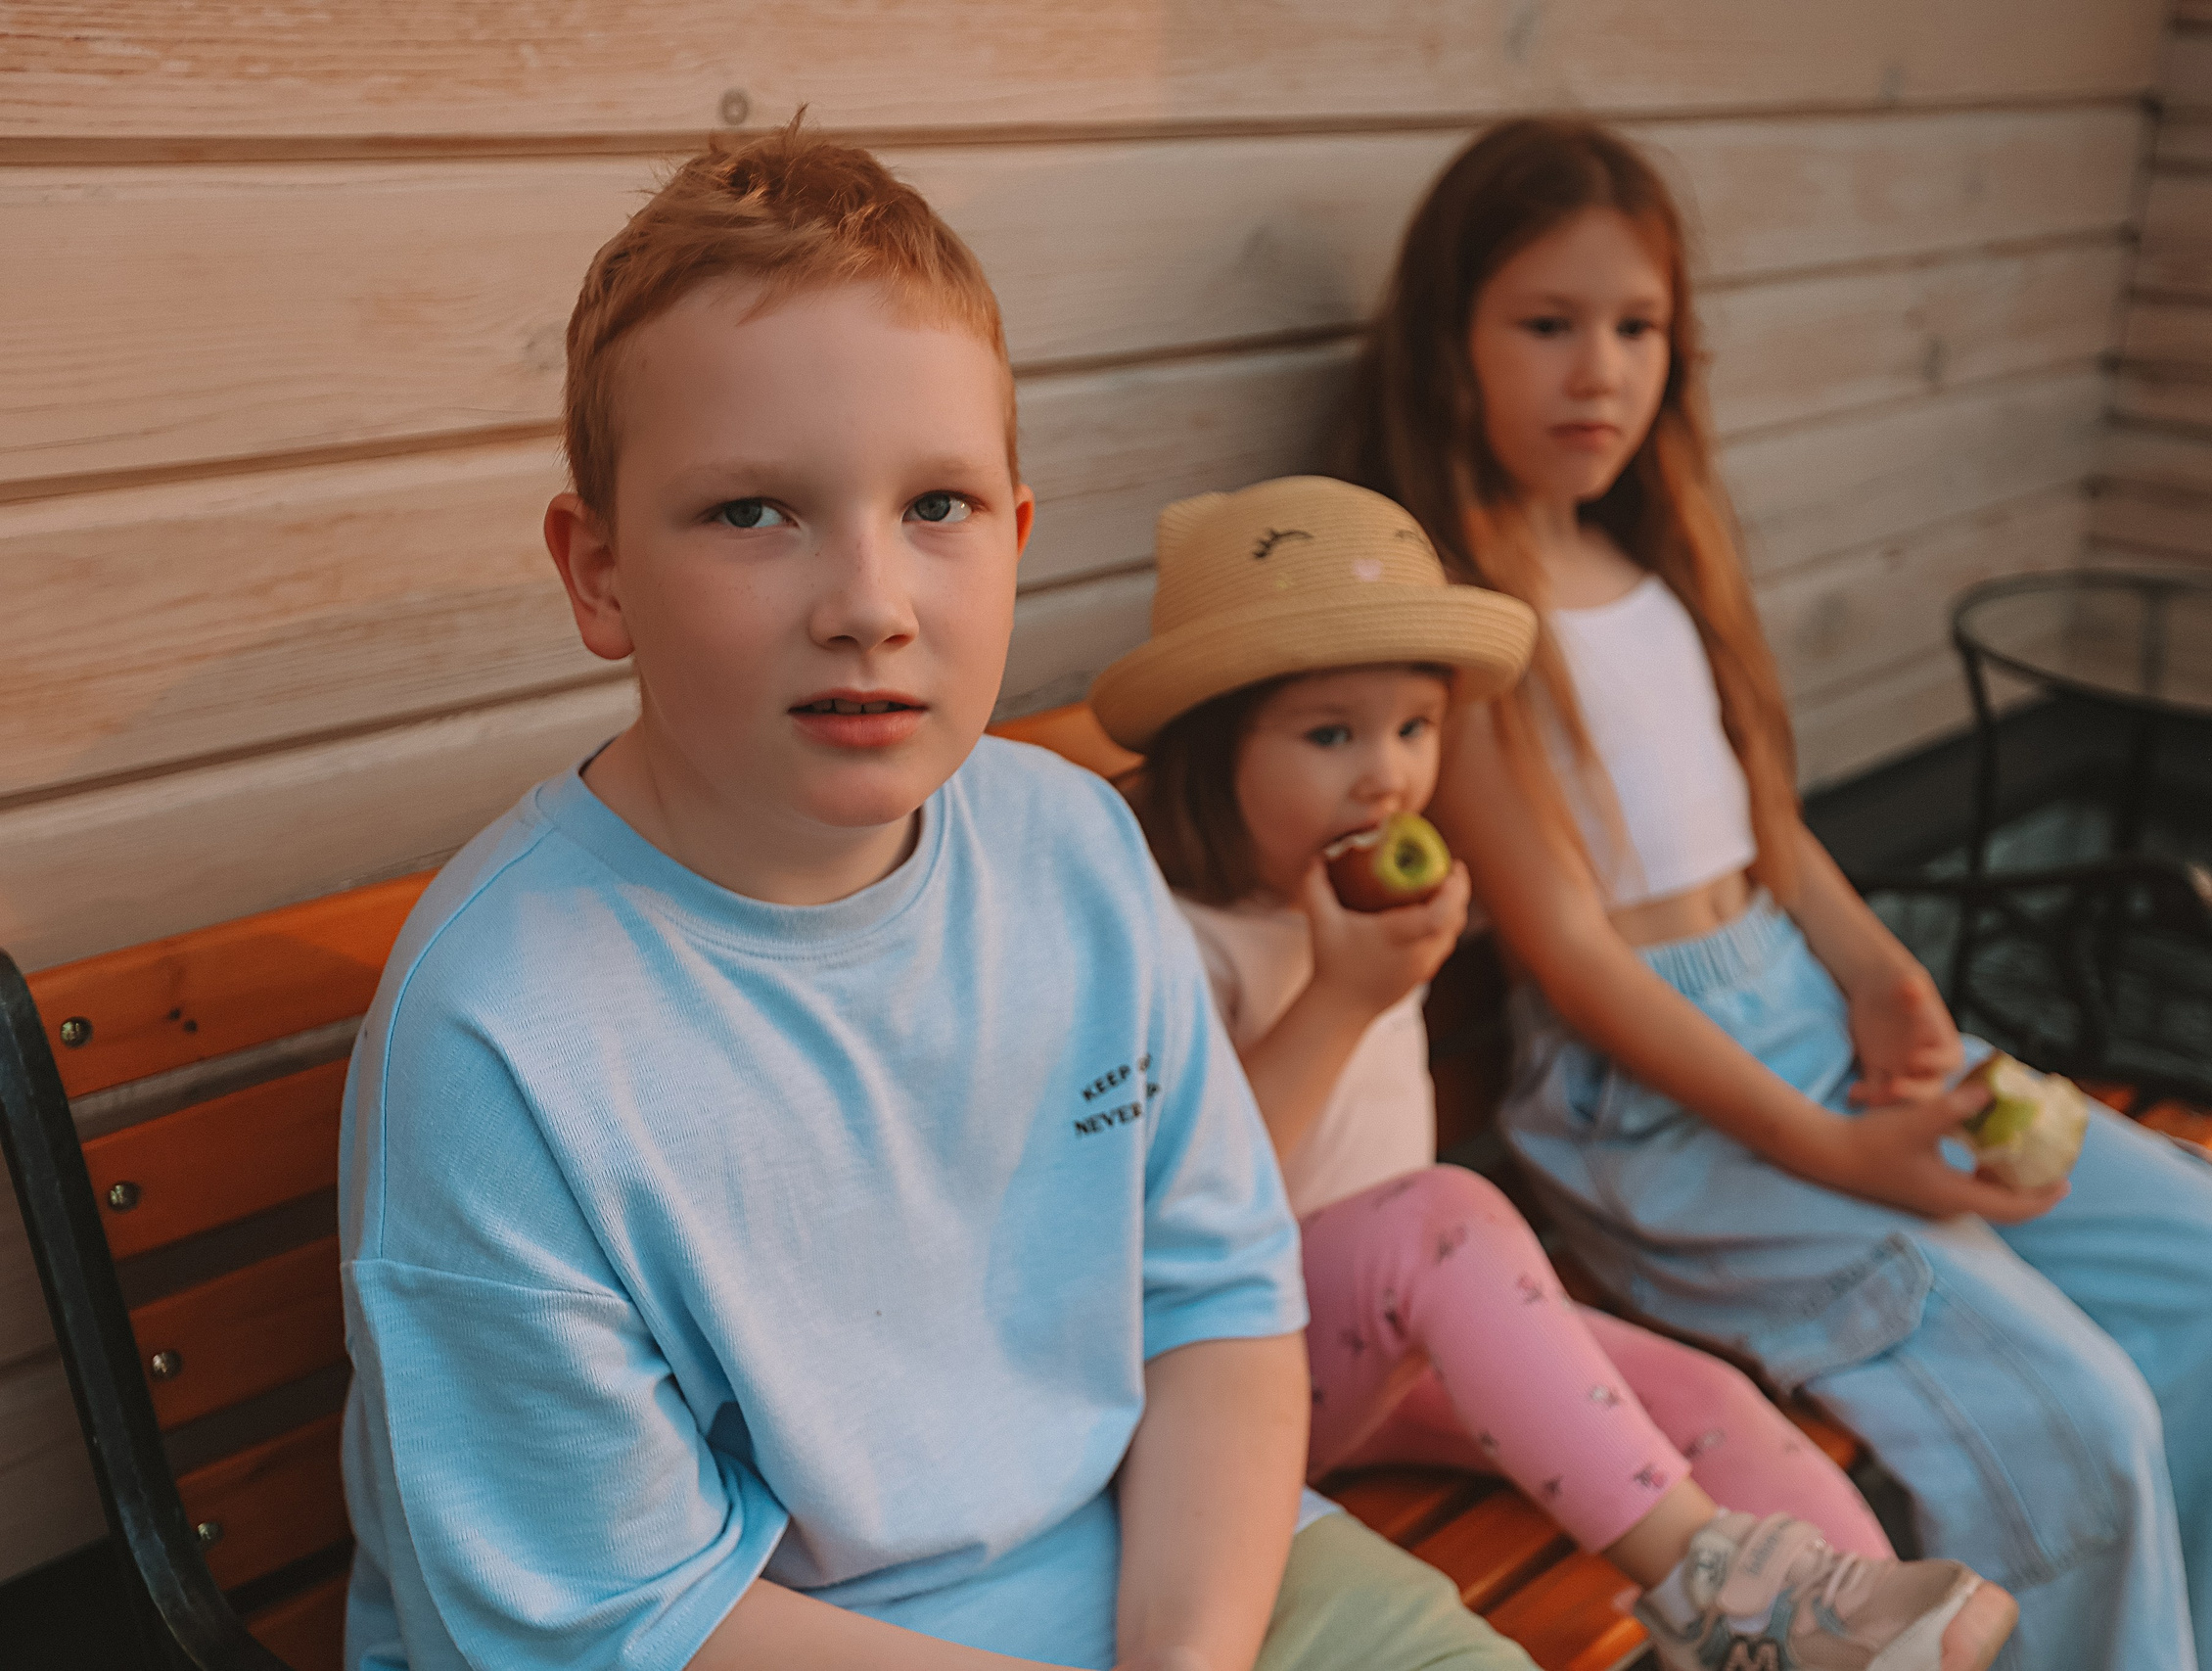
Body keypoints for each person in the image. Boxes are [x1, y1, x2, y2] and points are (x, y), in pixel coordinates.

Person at [335, 125, 1544, 1671]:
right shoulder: (500, 1037)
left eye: (938, 508)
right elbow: (616, 1617)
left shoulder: (1076, 853)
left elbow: (1215, 1295)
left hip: (1183, 1573)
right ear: (600, 573)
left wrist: (1186, 1656)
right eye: (753, 511)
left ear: (1015, 542)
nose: (871, 605)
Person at [1336, 117, 2212, 1671]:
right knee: (2075, 1410)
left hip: (1802, 1016)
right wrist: (1847, 1152)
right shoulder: (1464, 630)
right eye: (1546, 326)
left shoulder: (1655, 560)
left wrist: (1877, 969)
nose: (1598, 371)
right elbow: (1584, 965)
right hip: (1672, 1116)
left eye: (1637, 327)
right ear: (1446, 341)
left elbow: (1765, 829)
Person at [1089, 474, 2016, 1671]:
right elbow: (1182, 1207)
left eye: (1413, 729)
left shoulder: (1371, 905)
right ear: (1212, 753)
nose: (1386, 778)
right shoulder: (1176, 938)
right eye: (1331, 734)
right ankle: (1706, 1587)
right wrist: (1339, 1000)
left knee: (1710, 1407)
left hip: (1393, 1348)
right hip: (1229, 1388)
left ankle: (1844, 1635)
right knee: (1445, 1216)